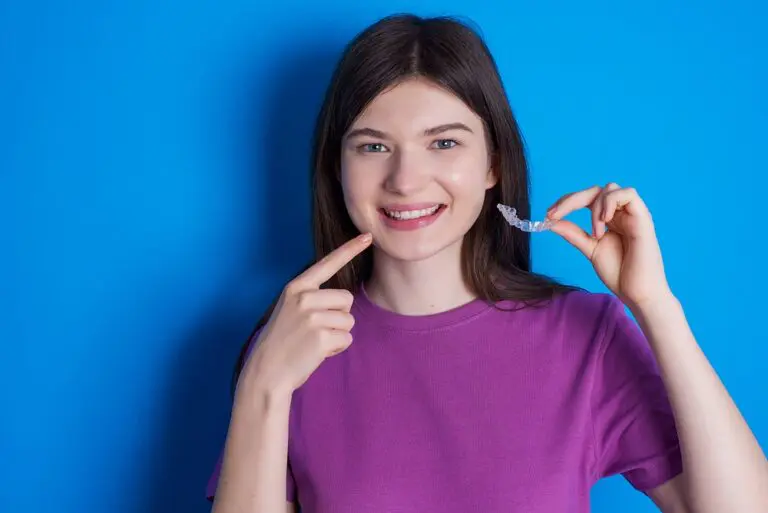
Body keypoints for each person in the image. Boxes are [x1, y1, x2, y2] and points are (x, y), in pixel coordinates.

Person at [205, 13, 768, 513]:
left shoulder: (585, 337)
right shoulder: (293, 344)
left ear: (493, 163)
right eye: (373, 146)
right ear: (337, 168)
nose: (405, 180)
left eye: (444, 143)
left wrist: (655, 306)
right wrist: (264, 386)